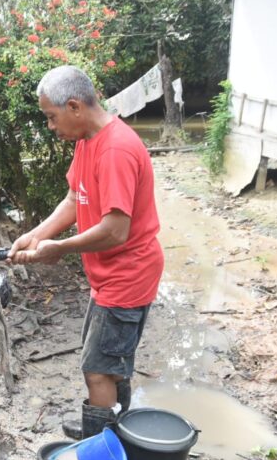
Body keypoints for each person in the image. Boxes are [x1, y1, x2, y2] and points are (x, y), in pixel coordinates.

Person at [9, 65, 164, 440]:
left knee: (97, 369)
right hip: (110, 273)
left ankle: (101, 448)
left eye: (51, 117)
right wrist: (36, 234)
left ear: (75, 106)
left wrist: (59, 248)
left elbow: (115, 230)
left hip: (128, 274)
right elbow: (73, 198)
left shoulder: (115, 149)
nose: (50, 126)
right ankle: (113, 427)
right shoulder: (87, 141)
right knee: (110, 362)